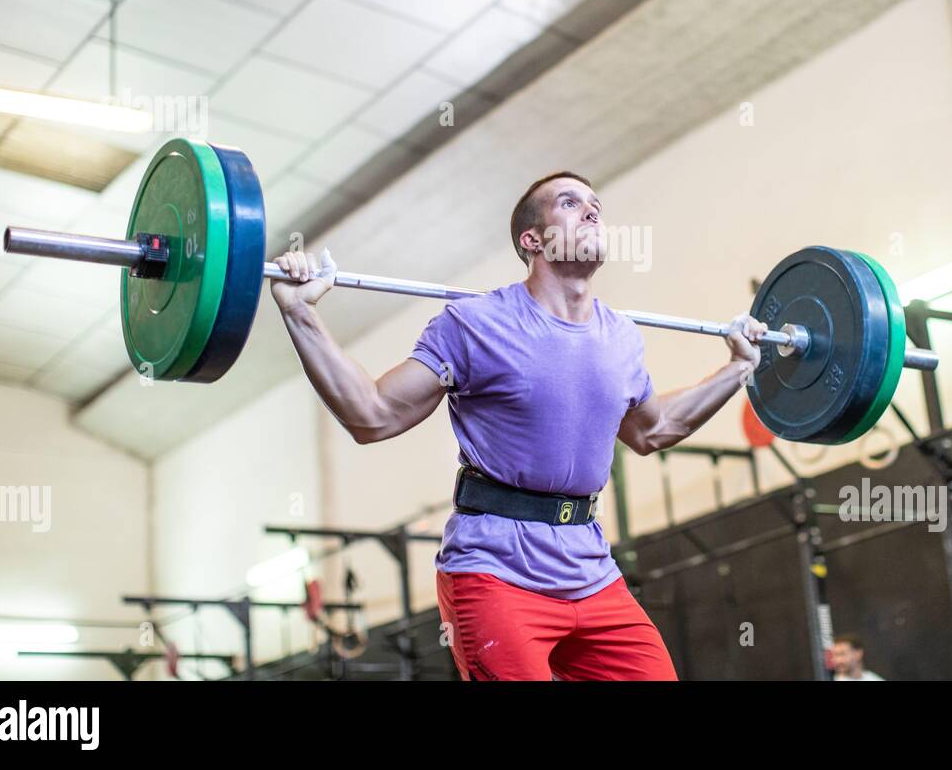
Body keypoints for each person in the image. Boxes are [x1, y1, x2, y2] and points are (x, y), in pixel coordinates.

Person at [271, 171, 768, 681]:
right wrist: (299, 313)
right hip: (494, 572)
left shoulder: (620, 337)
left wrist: (738, 367)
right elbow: (372, 414)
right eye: (570, 203)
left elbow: (653, 430)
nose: (592, 211)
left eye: (595, 204)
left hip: (591, 569)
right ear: (532, 240)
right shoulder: (474, 324)